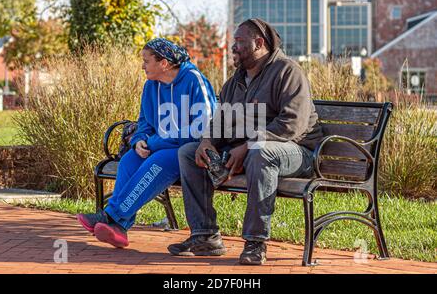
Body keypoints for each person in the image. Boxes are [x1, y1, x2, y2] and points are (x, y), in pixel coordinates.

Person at [167, 18, 323, 265]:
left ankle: (255, 242)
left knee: (261, 152)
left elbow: (293, 123)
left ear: (259, 43)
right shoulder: (235, 81)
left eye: (239, 42)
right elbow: (220, 120)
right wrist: (206, 142)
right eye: (234, 42)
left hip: (299, 152)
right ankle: (204, 236)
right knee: (188, 152)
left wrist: (248, 146)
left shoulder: (287, 71)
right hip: (252, 150)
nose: (233, 47)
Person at [76, 38, 217, 248]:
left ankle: (110, 216)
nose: (142, 65)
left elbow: (206, 125)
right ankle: (119, 228)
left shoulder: (193, 80)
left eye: (146, 61)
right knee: (129, 161)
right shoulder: (151, 86)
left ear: (164, 63)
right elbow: (144, 121)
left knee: (158, 160)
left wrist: (155, 142)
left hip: (190, 151)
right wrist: (139, 140)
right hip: (157, 145)